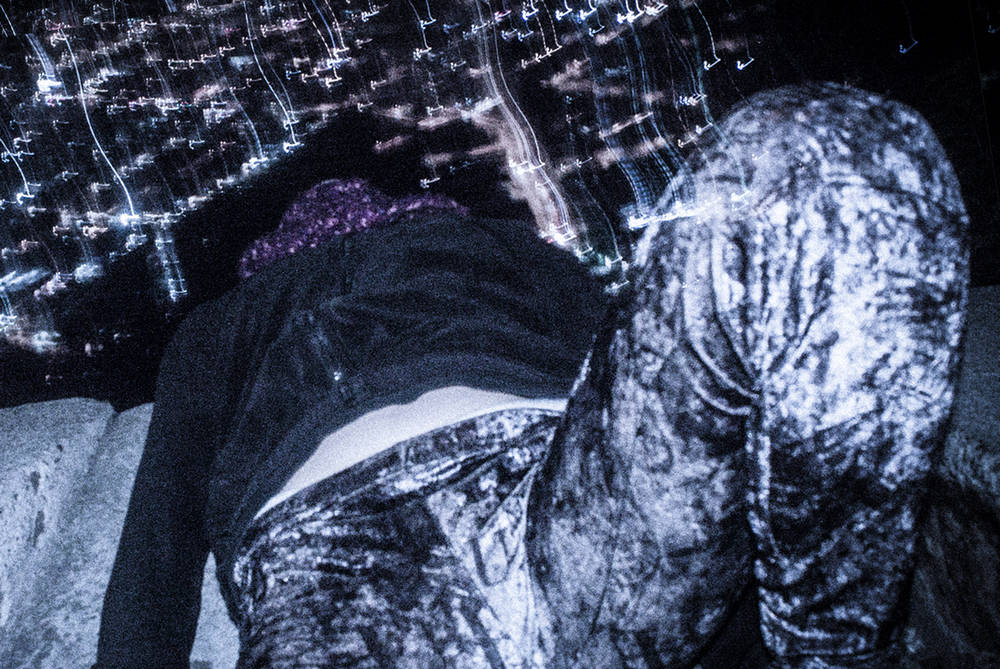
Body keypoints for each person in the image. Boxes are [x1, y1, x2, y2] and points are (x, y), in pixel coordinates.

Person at [95, 82, 968, 668]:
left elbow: (646, 388)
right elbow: (158, 550)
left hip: (554, 499)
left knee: (820, 149)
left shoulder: (497, 244)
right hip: (322, 561)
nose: (333, 207)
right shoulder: (219, 326)